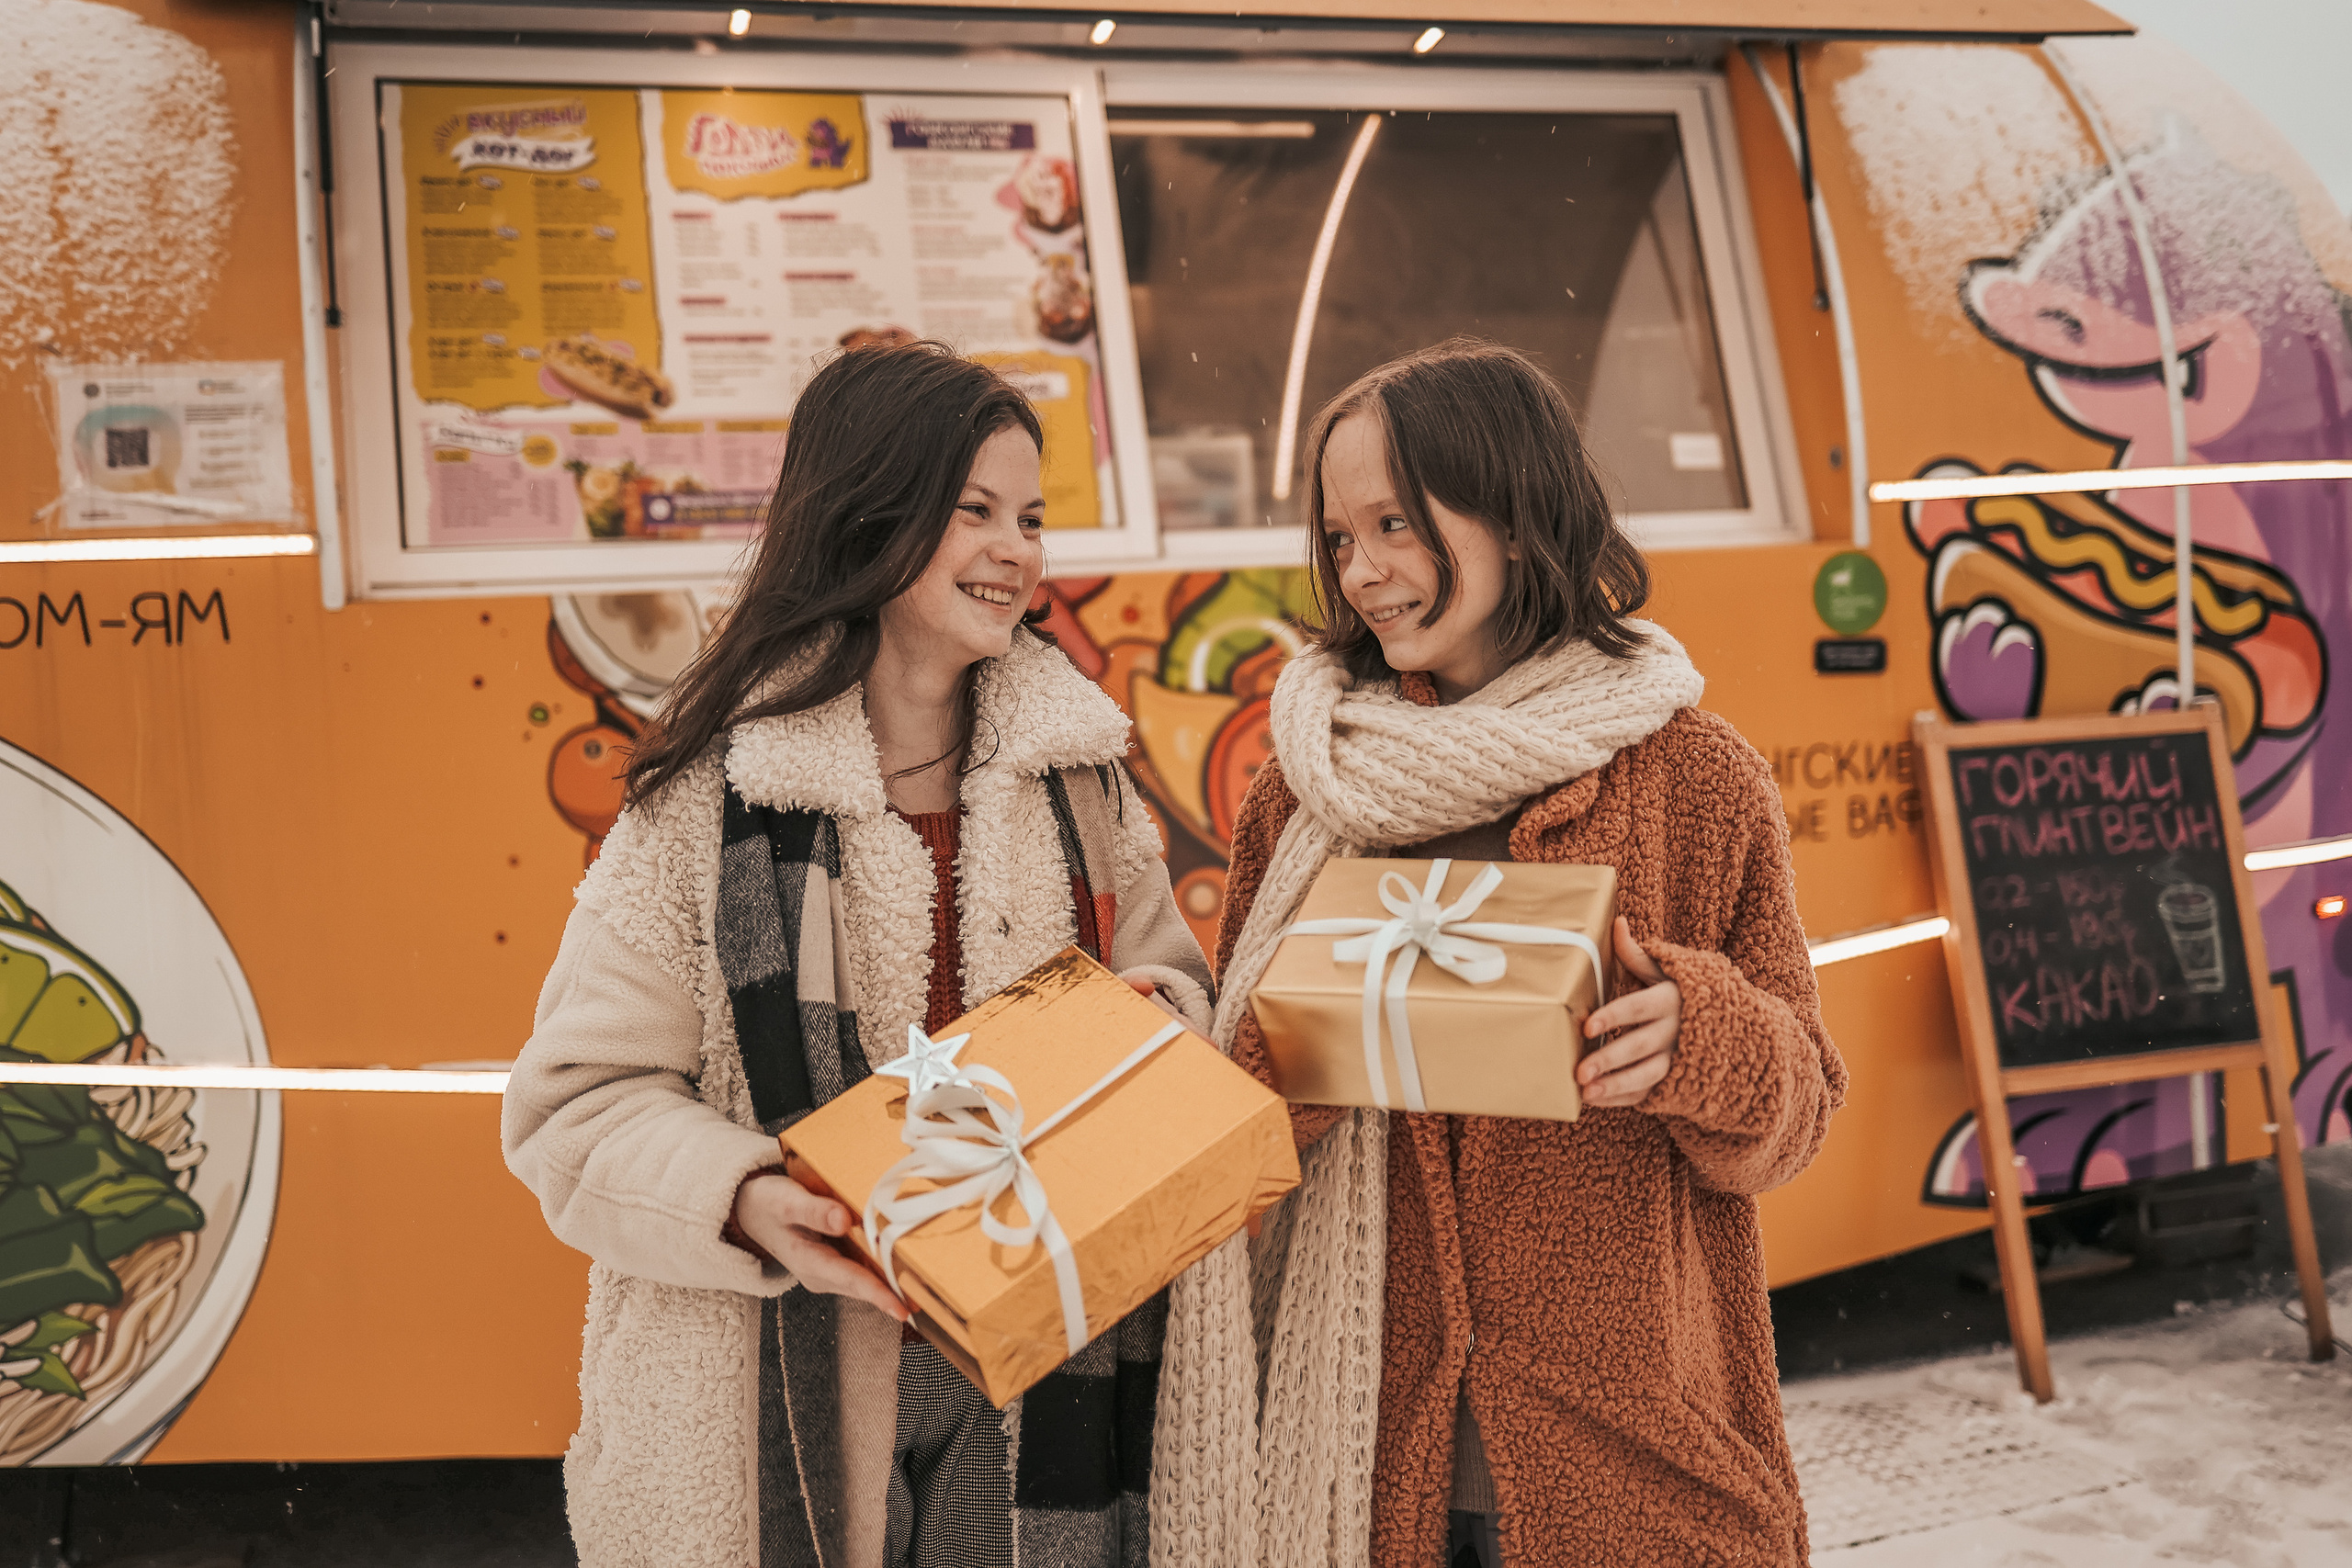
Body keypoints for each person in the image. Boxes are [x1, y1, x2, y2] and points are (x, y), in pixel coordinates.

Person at [504, 343, 1214, 1568]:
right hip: (785, 1388)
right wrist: (746, 1198)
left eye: (1032, 519)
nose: (1019, 552)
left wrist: (1165, 1023)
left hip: (1046, 1385)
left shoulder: (1080, 777)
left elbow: (1173, 1000)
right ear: (871, 517)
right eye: (976, 512)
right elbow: (572, 1111)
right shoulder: (708, 801)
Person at [1148, 340, 1845, 1568]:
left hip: (1632, 1456)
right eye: (1338, 539)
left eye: (1398, 525)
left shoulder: (1692, 777)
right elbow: (1234, 1127)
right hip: (1365, 1465)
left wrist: (1703, 1033)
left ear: (1518, 517)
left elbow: (1796, 1118)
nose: (1364, 573)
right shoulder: (1306, 796)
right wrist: (1304, 1044)